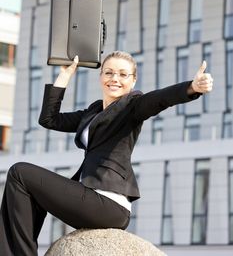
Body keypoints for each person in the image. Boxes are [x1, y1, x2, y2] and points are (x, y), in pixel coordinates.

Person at [0, 51, 213, 256]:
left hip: (108, 203)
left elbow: (158, 100)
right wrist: (64, 76)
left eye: (123, 74)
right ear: (101, 76)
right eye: (109, 72)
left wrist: (191, 87)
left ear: (133, 81)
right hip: (89, 196)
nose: (115, 78)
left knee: (20, 172)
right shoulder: (93, 112)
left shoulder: (133, 105)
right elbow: (49, 119)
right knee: (29, 193)